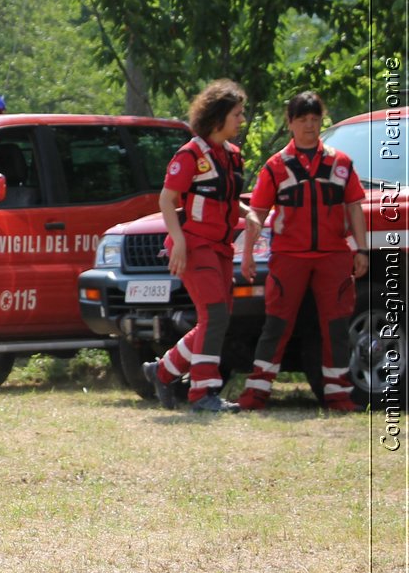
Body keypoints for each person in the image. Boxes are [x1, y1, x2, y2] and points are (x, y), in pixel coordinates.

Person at [236, 92, 367, 411]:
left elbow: (354, 209)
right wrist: (249, 254)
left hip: (333, 255)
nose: (309, 126)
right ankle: (257, 392)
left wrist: (360, 249)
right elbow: (258, 213)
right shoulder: (276, 166)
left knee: (336, 325)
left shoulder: (340, 162)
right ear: (290, 123)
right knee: (276, 324)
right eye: (302, 120)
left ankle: (337, 393)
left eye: (315, 120)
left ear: (322, 121)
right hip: (288, 257)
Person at [143, 79, 247, 413]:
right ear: (218, 116)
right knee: (215, 316)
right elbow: (167, 199)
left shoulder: (232, 156)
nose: (241, 121)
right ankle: (202, 394)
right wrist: (180, 245)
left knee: (216, 319)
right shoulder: (190, 154)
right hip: (196, 245)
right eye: (237, 114)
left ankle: (162, 371)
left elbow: (226, 198)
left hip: (221, 247)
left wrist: (252, 216)